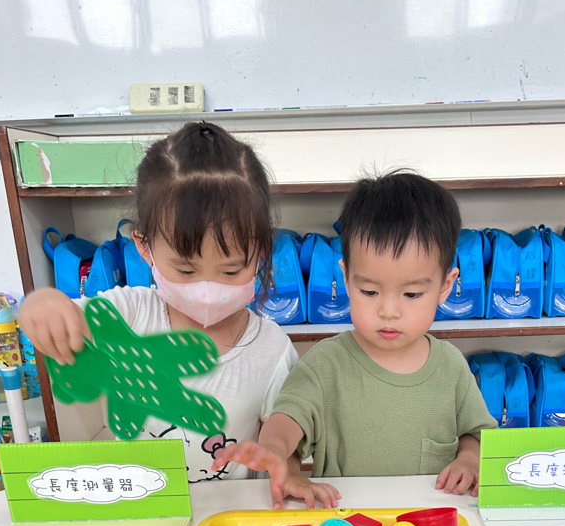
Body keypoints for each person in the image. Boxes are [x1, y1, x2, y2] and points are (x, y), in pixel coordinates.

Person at [19, 121, 298, 483]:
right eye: (185, 270)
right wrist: (41, 305)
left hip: (229, 513)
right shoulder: (130, 313)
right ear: (144, 247)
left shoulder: (272, 348)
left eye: (231, 271)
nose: (208, 289)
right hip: (145, 509)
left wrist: (288, 471)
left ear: (261, 251)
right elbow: (67, 318)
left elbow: (284, 445)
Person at [213, 171, 497, 508]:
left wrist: (469, 459)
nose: (389, 311)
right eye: (369, 291)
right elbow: (288, 419)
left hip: (430, 524)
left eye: (411, 294)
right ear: (346, 278)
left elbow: (476, 432)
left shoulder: (451, 366)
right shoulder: (325, 364)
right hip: (347, 523)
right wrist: (275, 452)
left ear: (445, 287)